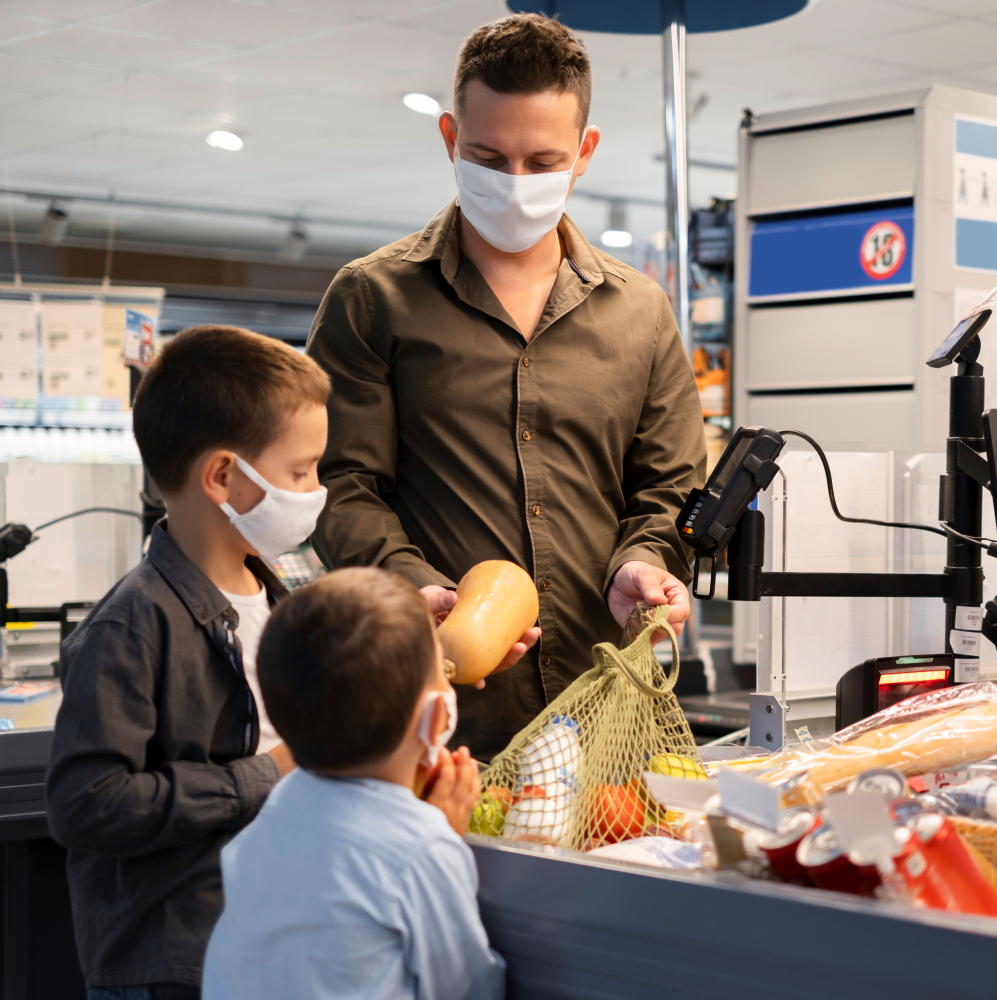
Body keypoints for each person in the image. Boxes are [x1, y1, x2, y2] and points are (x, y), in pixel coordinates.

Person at [308, 13, 706, 761]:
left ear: (584, 152)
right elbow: (339, 481)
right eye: (489, 157)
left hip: (612, 708)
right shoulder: (373, 298)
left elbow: (670, 487)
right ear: (450, 137)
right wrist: (406, 582)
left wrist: (644, 563)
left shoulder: (642, 311)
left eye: (542, 160)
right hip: (443, 712)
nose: (515, 184)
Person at [47, 325, 331, 997]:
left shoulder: (279, 597)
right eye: (300, 471)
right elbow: (87, 805)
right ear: (223, 477)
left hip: (271, 941)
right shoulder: (132, 625)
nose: (317, 489)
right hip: (178, 967)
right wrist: (266, 774)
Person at [202, 568, 505, 1000]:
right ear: (438, 716)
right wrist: (442, 835)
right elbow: (469, 987)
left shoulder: (277, 805)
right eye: (442, 667)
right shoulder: (423, 849)